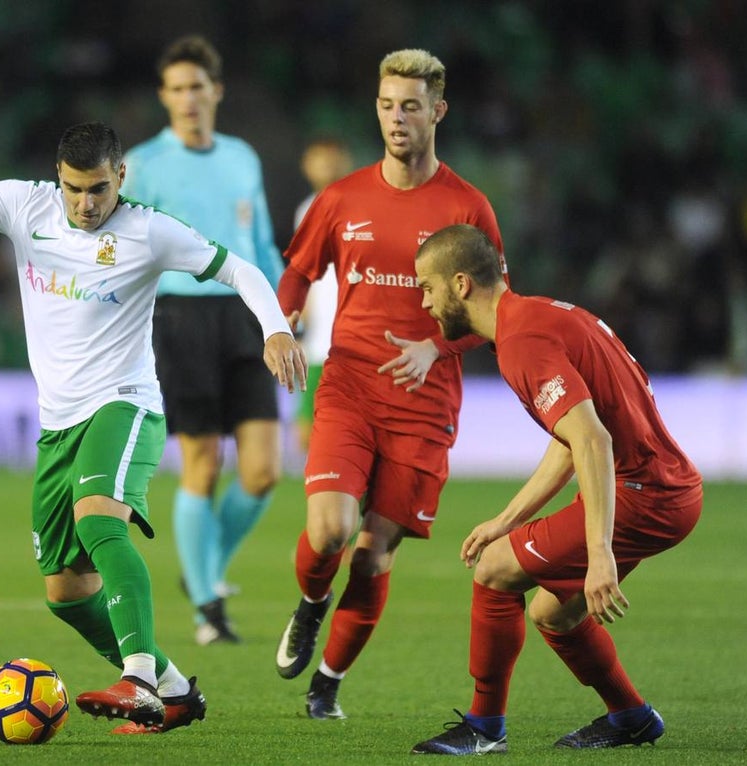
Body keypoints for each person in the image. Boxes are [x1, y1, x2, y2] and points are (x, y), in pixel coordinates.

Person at [0, 121, 306, 735]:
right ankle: (172, 690)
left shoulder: (149, 231)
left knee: (98, 520)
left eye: (97, 189)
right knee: (65, 591)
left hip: (125, 405)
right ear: (57, 178)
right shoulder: (25, 205)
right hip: (57, 424)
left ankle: (139, 679)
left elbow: (241, 271)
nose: (85, 204)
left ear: (121, 176)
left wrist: (275, 328)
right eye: (73, 189)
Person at [408, 224, 702, 755]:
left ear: (460, 284)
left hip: (643, 494)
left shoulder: (522, 342)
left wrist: (599, 553)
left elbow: (592, 440)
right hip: (664, 487)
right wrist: (507, 518)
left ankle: (484, 727)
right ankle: (631, 716)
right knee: (553, 613)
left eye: (426, 288)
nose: (424, 303)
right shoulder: (540, 315)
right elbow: (573, 438)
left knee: (495, 571)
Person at [274, 49, 506, 719]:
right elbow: (298, 270)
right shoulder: (342, 198)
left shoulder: (468, 206)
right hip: (348, 384)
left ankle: (328, 683)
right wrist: (281, 321)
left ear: (438, 111)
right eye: (385, 105)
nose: (396, 118)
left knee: (374, 557)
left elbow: (499, 308)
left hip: (425, 403)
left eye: (410, 106)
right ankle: (311, 605)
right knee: (329, 530)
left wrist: (438, 346)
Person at [122, 35, 287, 645]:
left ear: (216, 91)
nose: (188, 98)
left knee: (264, 470)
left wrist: (279, 316)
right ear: (164, 97)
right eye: (176, 89)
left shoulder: (243, 157)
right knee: (200, 463)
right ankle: (206, 614)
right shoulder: (141, 165)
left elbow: (262, 239)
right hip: (180, 318)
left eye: (197, 87)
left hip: (245, 315)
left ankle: (204, 573)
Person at [291, 136, 354, 456]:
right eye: (319, 159)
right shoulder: (305, 209)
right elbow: (306, 274)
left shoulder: (360, 205)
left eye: (333, 158)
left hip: (353, 338)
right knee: (306, 434)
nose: (326, 166)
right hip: (318, 342)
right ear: (306, 165)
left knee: (347, 435)